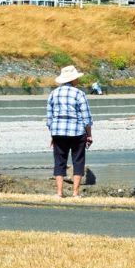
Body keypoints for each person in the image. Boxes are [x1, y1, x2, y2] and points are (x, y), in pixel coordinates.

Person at [45, 64, 94, 199]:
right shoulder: (79, 94)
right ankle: (75, 193)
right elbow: (86, 117)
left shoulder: (53, 94)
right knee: (78, 161)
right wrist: (89, 135)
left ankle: (59, 193)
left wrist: (52, 134)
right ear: (73, 80)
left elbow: (49, 118)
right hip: (77, 132)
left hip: (58, 131)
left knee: (59, 161)